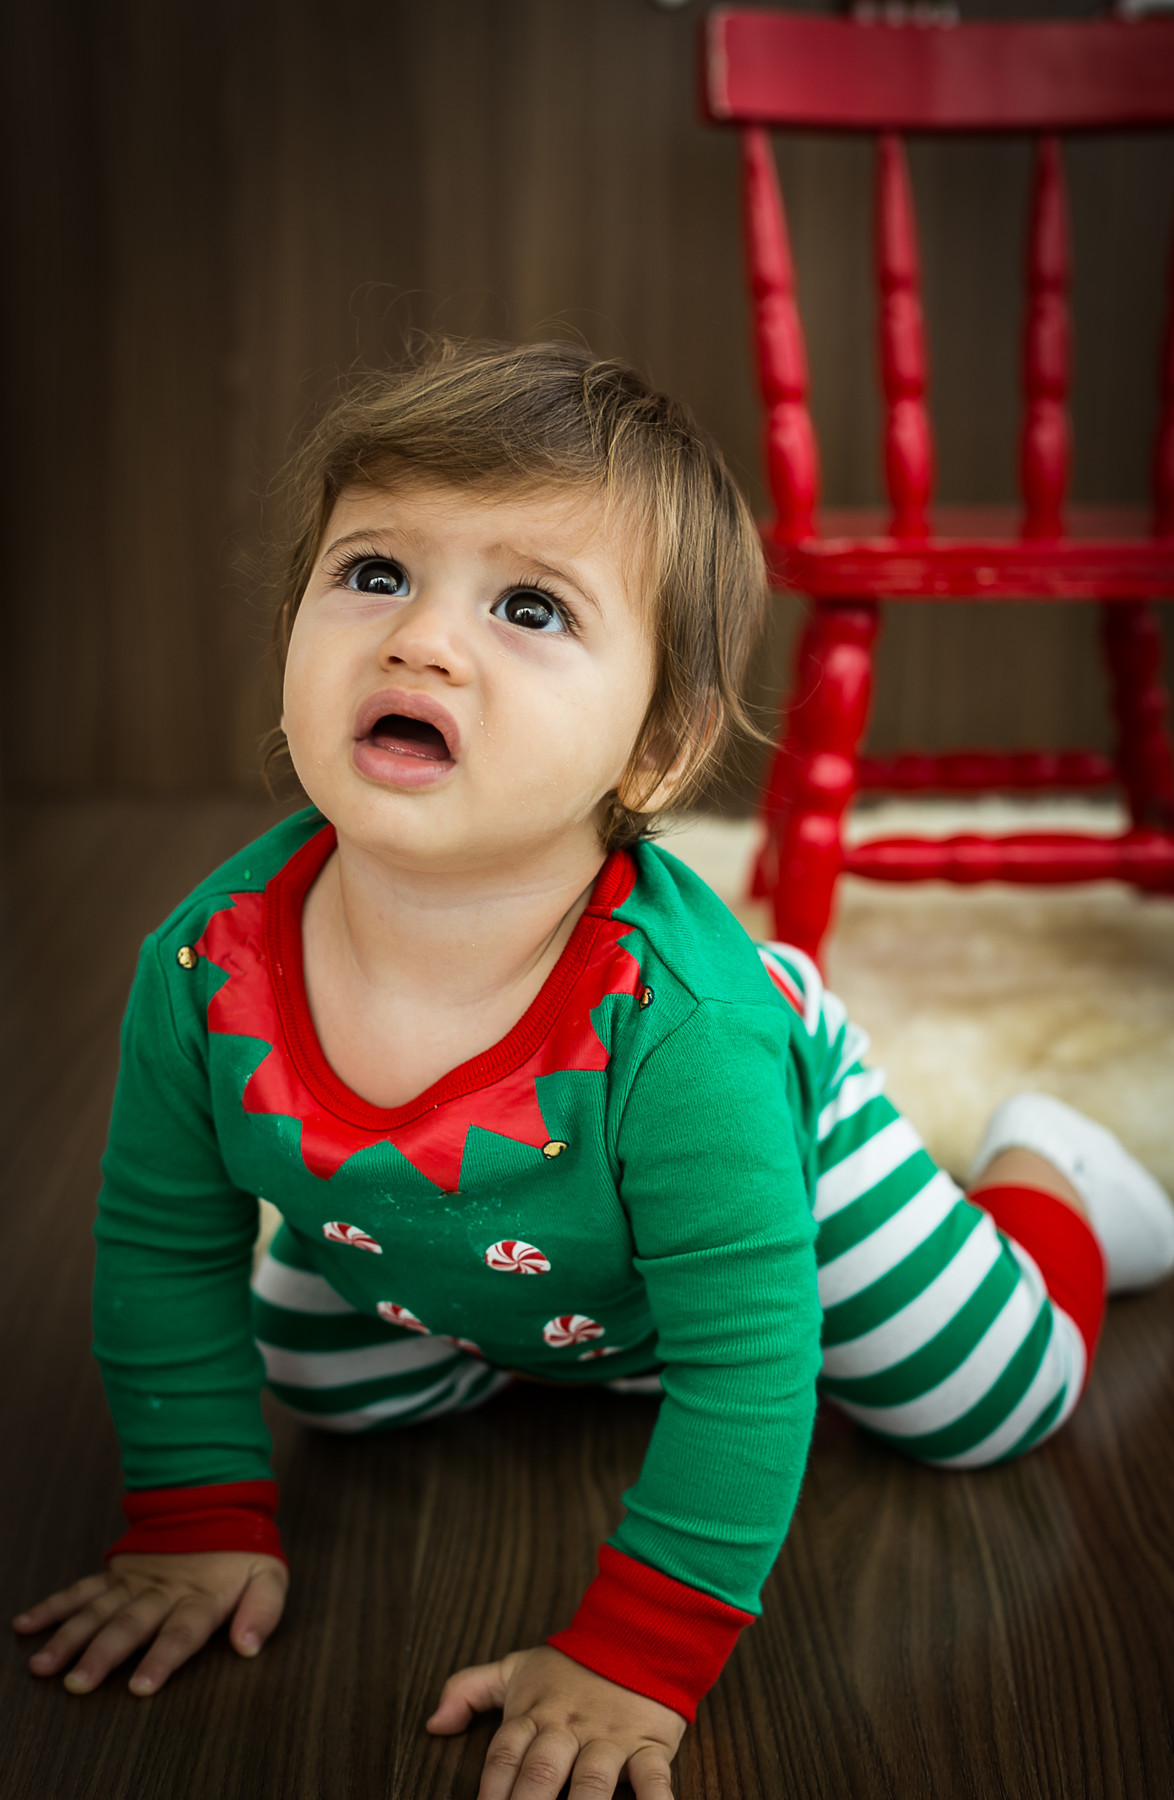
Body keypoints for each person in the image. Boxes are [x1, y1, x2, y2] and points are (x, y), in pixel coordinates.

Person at [13, 341, 1174, 1800]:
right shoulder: (200, 973)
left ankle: (1045, 1174)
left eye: (527, 607)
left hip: (780, 1172)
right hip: (481, 1242)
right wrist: (193, 1516)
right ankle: (560, 1330)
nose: (422, 641)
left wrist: (640, 1649)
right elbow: (159, 1248)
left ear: (658, 747)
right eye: (374, 573)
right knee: (315, 1370)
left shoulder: (689, 1032)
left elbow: (756, 1367)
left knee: (988, 1400)